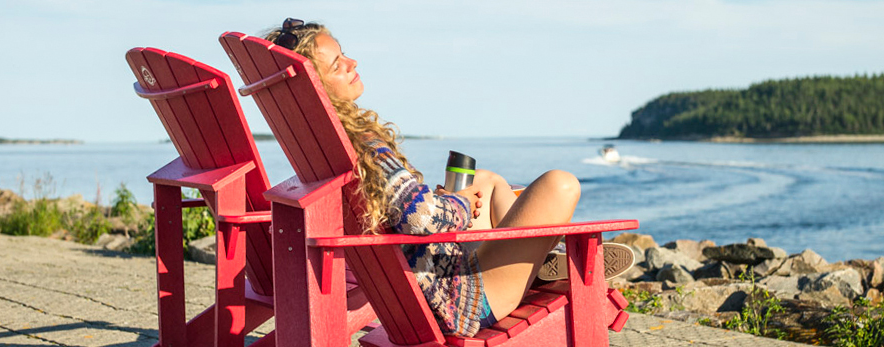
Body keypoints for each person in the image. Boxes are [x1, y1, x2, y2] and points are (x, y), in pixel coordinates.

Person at [264, 18, 634, 337]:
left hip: (421, 284)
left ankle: (541, 259)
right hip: (458, 303)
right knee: (560, 184)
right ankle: (542, 261)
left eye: (344, 54)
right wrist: (454, 204)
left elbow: (404, 207)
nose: (352, 62)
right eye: (338, 66)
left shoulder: (328, 143)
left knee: (485, 181)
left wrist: (442, 200)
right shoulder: (363, 148)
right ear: (317, 87)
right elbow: (420, 217)